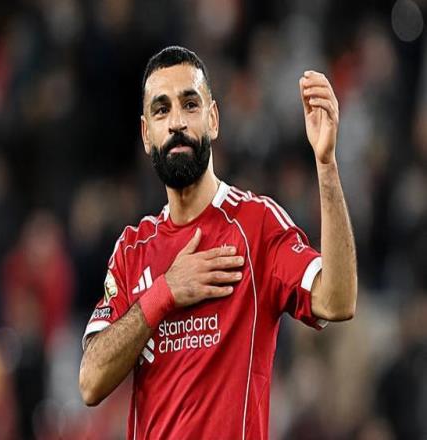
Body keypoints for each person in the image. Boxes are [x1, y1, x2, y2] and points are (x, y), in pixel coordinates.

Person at [79, 46, 357, 440]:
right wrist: (164, 293)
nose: (177, 122)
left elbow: (338, 301)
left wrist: (326, 165)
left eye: (190, 104)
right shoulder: (132, 248)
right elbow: (90, 382)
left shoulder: (256, 225)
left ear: (213, 120)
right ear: (146, 134)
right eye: (161, 110)